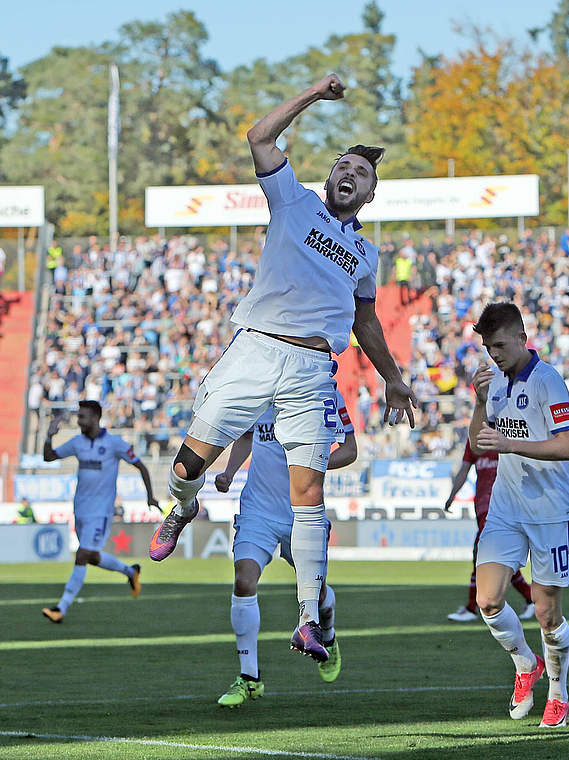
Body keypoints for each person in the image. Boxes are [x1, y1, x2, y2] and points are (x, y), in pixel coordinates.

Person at [148, 73, 415, 664]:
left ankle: (306, 622)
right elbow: (259, 136)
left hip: (313, 369)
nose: (351, 175)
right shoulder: (293, 200)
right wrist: (314, 95)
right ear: (329, 178)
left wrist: (394, 378)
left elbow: (366, 324)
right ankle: (182, 504)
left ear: (370, 196)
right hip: (255, 349)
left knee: (309, 494)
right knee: (189, 461)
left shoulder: (368, 255)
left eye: (363, 173)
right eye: (344, 166)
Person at [468, 302, 569, 729]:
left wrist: (512, 445)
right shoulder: (493, 382)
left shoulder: (548, 381)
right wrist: (479, 402)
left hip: (551, 511)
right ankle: (525, 663)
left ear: (521, 338)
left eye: (498, 345)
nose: (492, 354)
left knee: (548, 613)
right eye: (486, 346)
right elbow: (480, 444)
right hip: (507, 508)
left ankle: (557, 693)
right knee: (488, 599)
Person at [211, 392, 358, 707]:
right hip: (258, 510)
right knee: (243, 580)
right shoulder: (262, 391)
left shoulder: (326, 395)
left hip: (303, 513)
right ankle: (249, 678)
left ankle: (328, 635)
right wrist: (229, 472)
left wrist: (312, 465)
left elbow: (349, 450)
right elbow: (249, 434)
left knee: (316, 596)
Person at [40, 400, 158, 623]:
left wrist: (150, 496)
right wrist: (49, 436)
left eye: (82, 417)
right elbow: (49, 457)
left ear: (95, 417)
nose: (79, 421)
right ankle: (131, 572)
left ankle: (61, 608)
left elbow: (141, 466)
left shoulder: (114, 443)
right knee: (91, 556)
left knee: (82, 554)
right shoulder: (77, 442)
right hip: (80, 509)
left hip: (101, 511)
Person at [443, 439, 535, 623]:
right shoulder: (475, 440)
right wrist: (452, 495)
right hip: (482, 507)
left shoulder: (507, 434)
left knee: (481, 555)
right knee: (499, 559)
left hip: (501, 507)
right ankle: (531, 598)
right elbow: (464, 470)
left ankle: (471, 607)